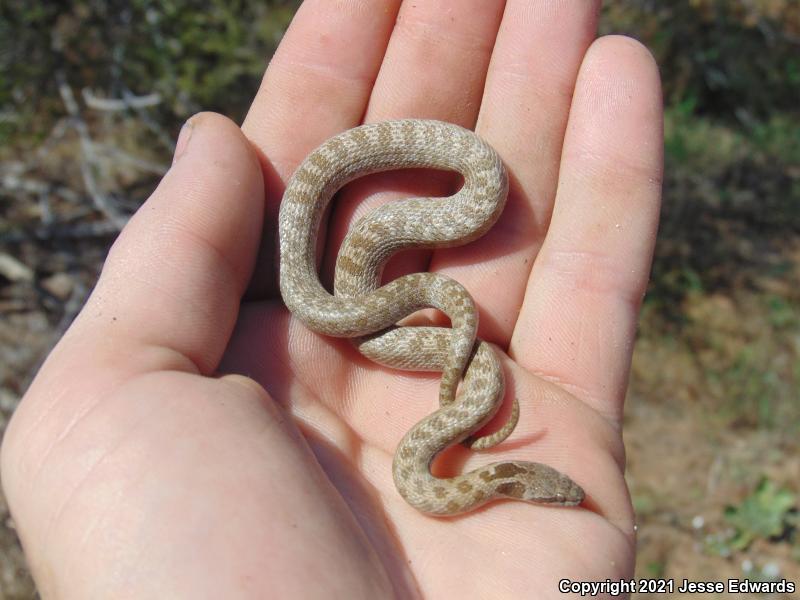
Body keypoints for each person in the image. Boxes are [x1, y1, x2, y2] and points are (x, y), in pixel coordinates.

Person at [1, 1, 662, 597]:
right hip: (355, 302)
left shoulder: (444, 454)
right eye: (560, 495)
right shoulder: (456, 421)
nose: (571, 498)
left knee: (435, 252)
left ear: (525, 485)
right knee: (372, 290)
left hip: (382, 306)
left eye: (560, 497)